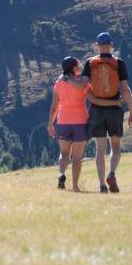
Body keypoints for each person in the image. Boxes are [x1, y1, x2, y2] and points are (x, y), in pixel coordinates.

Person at [83, 32, 132, 193]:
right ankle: (112, 173)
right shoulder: (118, 63)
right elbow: (125, 89)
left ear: (97, 46)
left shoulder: (90, 63)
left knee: (100, 149)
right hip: (114, 109)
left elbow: (83, 87)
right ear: (111, 46)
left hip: (97, 110)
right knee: (115, 146)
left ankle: (101, 185)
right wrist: (131, 112)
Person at [46, 56, 90, 191]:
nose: (80, 67)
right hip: (81, 121)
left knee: (64, 154)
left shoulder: (58, 84)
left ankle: (61, 174)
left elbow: (54, 107)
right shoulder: (82, 82)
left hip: (63, 122)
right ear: (73, 68)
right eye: (78, 65)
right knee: (77, 157)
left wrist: (50, 124)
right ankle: (75, 186)